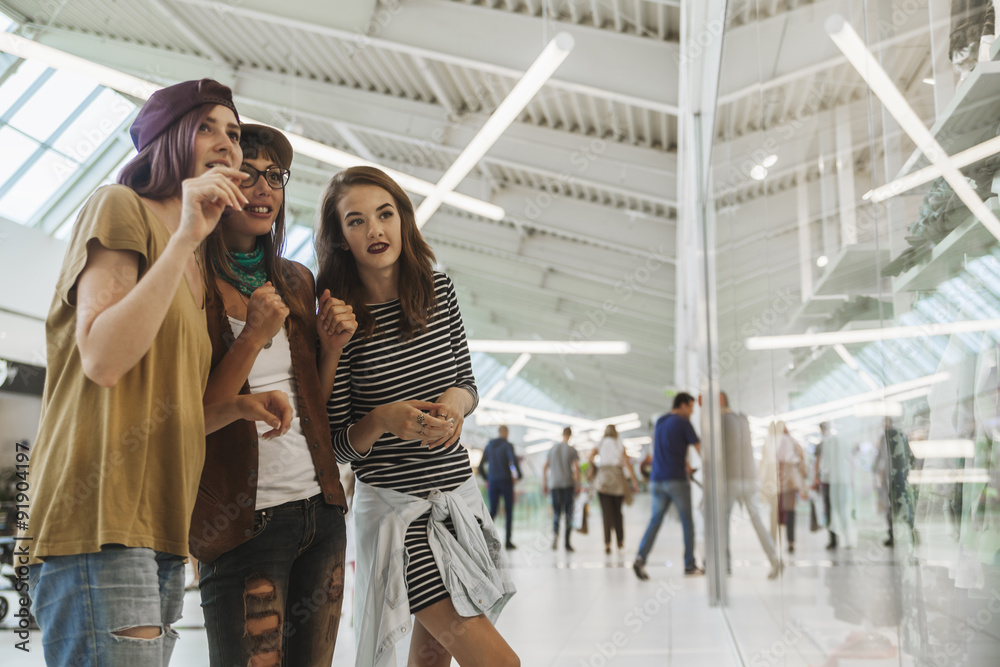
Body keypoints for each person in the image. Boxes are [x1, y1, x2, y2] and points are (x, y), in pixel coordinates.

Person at [22, 79, 294, 667]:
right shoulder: (121, 207)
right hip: (99, 517)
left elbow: (167, 414)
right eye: (206, 127)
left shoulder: (194, 261)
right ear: (167, 141)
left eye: (234, 132)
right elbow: (101, 358)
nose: (227, 143)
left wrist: (238, 406)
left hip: (160, 526)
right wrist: (185, 239)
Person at [316, 166, 518, 667]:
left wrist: (454, 403)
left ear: (404, 220)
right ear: (341, 238)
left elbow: (469, 384)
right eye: (357, 221)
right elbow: (334, 443)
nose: (376, 231)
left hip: (459, 505)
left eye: (385, 214)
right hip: (400, 521)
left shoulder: (438, 291)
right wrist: (382, 419)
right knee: (499, 662)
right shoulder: (338, 319)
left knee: (430, 659)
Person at [191, 124, 358, 666]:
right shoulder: (191, 281)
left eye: (275, 177)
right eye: (250, 175)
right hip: (243, 522)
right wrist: (256, 334)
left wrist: (330, 349)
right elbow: (195, 415)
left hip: (321, 510)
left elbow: (315, 404)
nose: (264, 188)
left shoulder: (295, 279)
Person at [634, 392, 703, 580]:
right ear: (682, 405)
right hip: (676, 480)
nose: (691, 411)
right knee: (687, 522)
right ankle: (689, 564)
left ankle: (641, 557)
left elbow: (667, 450)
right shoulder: (683, 422)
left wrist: (686, 465)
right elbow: (699, 448)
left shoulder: (660, 421)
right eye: (690, 407)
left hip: (657, 480)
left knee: (655, 521)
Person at [720, 392, 780, 579]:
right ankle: (774, 559)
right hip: (750, 478)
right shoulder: (743, 419)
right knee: (757, 521)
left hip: (731, 478)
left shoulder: (721, 421)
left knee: (723, 522)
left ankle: (726, 564)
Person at [589, 424, 639, 555]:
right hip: (617, 479)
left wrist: (595, 471)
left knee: (606, 514)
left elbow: (590, 458)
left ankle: (607, 543)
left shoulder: (600, 443)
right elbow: (627, 463)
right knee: (618, 512)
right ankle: (620, 541)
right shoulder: (619, 443)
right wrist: (634, 481)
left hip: (603, 479)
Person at [480, 425, 524, 549]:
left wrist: (487, 478)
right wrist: (519, 475)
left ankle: (484, 540)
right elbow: (513, 461)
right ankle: (508, 541)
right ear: (506, 433)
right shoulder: (507, 445)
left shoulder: (489, 446)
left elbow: (480, 466)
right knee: (508, 511)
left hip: (493, 481)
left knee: (492, 511)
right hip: (506, 481)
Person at [876, 417, 916, 547]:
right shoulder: (889, 437)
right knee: (894, 507)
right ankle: (895, 534)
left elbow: (909, 455)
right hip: (893, 478)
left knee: (898, 506)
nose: (884, 425)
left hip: (896, 478)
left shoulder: (893, 436)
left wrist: (905, 472)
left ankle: (909, 532)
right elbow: (880, 458)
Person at [542, 427, 581, 552]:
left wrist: (545, 482)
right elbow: (576, 468)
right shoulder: (571, 450)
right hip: (567, 484)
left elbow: (545, 467)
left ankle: (555, 535)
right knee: (568, 513)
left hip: (554, 485)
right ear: (570, 435)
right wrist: (578, 484)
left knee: (557, 513)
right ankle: (567, 543)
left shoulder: (553, 449)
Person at [777, 423, 807, 554]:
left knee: (786, 512)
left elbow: (780, 462)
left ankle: (789, 541)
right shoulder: (795, 443)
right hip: (793, 482)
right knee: (790, 511)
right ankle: (790, 541)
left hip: (785, 483)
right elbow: (802, 463)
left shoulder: (782, 442)